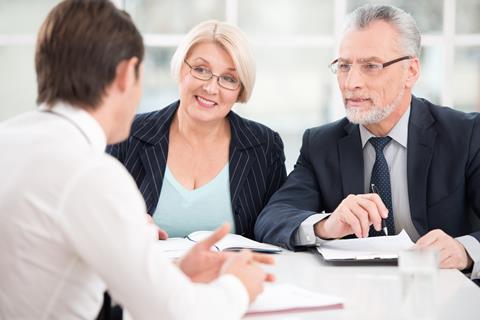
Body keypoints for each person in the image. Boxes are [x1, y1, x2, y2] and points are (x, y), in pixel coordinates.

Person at [0, 1, 274, 319]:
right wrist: (237, 285)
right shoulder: (93, 175)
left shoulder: (9, 140)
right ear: (126, 73)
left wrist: (170, 277)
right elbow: (177, 314)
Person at [255, 4, 480, 278]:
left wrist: (464, 250)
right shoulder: (321, 144)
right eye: (344, 66)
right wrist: (326, 225)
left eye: (371, 66)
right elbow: (273, 217)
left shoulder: (465, 135)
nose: (351, 82)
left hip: (441, 297)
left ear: (411, 71)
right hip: (355, 295)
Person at [107, 20, 287, 239]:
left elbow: (277, 229)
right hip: (146, 271)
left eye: (229, 79)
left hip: (233, 273)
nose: (211, 88)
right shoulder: (129, 133)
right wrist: (122, 223)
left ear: (240, 90)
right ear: (182, 69)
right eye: (201, 69)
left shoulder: (265, 146)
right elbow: (93, 212)